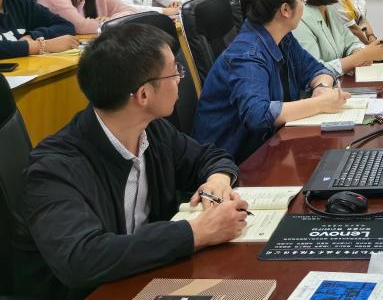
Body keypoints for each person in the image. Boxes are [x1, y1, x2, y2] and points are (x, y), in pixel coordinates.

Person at [13, 24, 248, 300]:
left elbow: (209, 157)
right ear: (144, 94)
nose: (179, 79)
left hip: (145, 277)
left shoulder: (150, 130)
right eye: (175, 71)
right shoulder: (54, 169)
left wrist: (217, 180)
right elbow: (81, 259)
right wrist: (197, 232)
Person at [193, 0, 351, 162]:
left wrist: (322, 89)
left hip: (268, 150)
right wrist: (319, 104)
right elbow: (258, 115)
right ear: (285, 10)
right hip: (229, 164)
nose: (303, 3)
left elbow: (317, 69)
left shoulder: (283, 38)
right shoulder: (248, 54)